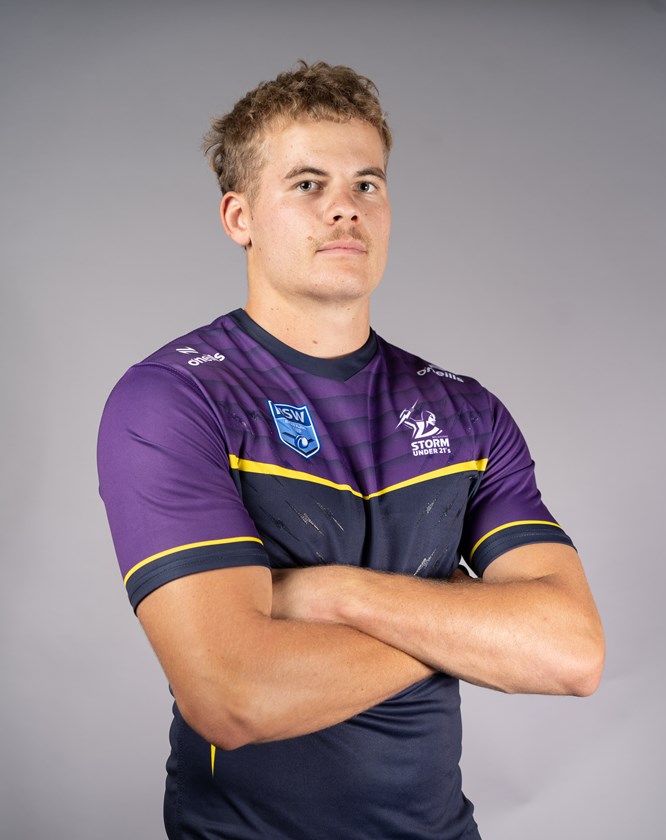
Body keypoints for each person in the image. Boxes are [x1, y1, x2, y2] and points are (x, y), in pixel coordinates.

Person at [97, 61, 604, 840]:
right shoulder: (176, 399)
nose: (345, 207)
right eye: (307, 184)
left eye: (367, 184)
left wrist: (334, 594)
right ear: (239, 216)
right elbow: (232, 697)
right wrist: (467, 630)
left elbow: (573, 653)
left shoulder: (465, 411)